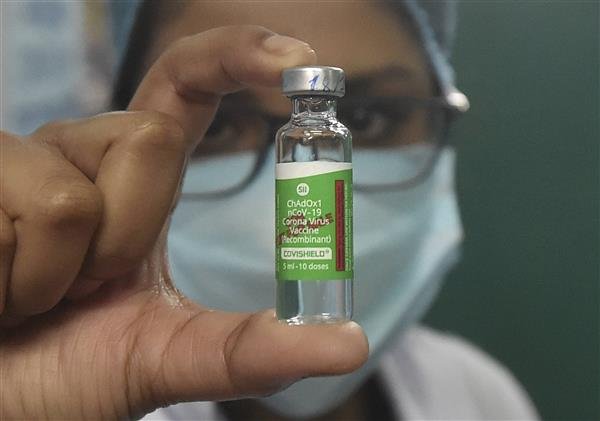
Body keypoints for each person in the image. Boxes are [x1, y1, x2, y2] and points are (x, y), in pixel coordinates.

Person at [0, 1, 540, 420]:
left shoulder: (476, 398)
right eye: (218, 126)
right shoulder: (71, 378)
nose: (269, 222)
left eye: (371, 118)